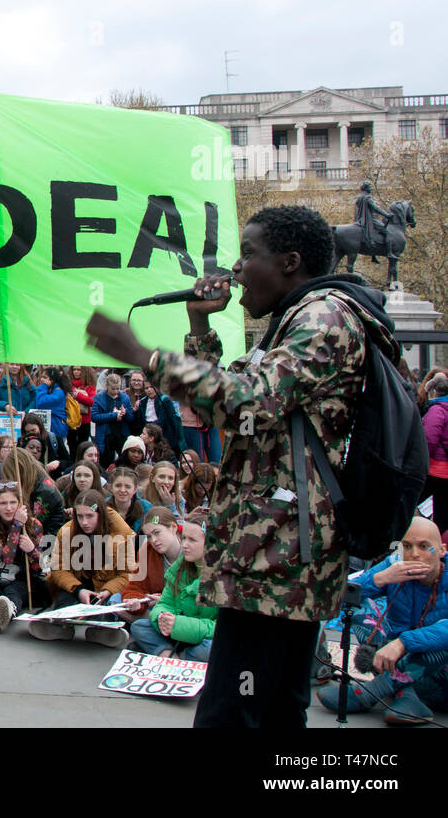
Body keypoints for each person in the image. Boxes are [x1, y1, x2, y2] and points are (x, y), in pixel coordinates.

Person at [86, 204, 394, 727]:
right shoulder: (297, 319)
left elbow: (249, 400)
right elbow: (221, 405)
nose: (234, 268)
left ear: (290, 262)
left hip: (277, 559)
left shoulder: (324, 316)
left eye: (249, 255)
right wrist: (199, 321)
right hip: (276, 552)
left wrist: (145, 354)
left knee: (231, 712)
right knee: (272, 709)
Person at [317, 517, 448, 725]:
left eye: (424, 546)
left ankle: (369, 693)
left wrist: (403, 643)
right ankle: (407, 698)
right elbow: (336, 598)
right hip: (405, 671)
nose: (414, 553)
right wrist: (380, 579)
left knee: (439, 643)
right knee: (359, 618)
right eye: (406, 546)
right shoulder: (395, 565)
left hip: (441, 679)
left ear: (441, 550)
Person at [39, 490, 133, 647]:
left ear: (100, 515)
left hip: (106, 587)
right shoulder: (67, 531)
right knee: (64, 603)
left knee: (108, 608)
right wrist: (79, 590)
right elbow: (59, 569)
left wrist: (108, 591)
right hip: (78, 582)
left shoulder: (122, 535)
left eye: (90, 516)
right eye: (80, 516)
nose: (84, 522)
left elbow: (126, 574)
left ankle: (100, 630)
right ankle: (60, 626)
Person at [128, 510, 216, 661]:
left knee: (209, 648)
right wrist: (162, 617)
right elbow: (165, 603)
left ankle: (171, 655)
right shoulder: (179, 567)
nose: (185, 545)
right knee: (140, 627)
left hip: (198, 635)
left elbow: (222, 628)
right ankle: (171, 656)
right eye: (184, 539)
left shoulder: (223, 578)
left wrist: (179, 624)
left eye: (192, 540)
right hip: (176, 632)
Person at [0, 480, 50, 633]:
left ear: (21, 504)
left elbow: (42, 566)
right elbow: (7, 557)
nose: (9, 507)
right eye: (3, 503)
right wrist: (17, 525)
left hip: (21, 579)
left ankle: (4, 615)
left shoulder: (34, 525)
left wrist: (32, 550)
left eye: (13, 502)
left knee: (14, 594)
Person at [118, 506, 181, 622]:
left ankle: (154, 622)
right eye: (149, 536)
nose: (154, 540)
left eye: (157, 533)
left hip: (182, 609)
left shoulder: (191, 550)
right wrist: (134, 601)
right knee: (116, 600)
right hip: (155, 604)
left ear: (173, 527)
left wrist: (167, 601)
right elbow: (135, 585)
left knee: (139, 627)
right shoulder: (146, 550)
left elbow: (195, 596)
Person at [90, 372, 133, 467]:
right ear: (106, 386)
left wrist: (125, 413)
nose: (115, 391)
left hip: (121, 434)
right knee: (105, 461)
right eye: (113, 389)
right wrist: (113, 415)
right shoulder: (99, 399)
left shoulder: (125, 398)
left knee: (124, 461)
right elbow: (94, 417)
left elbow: (131, 417)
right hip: (106, 435)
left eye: (118, 388)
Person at [422, 375, 448, 535]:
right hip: (445, 472)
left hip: (435, 469)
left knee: (406, 505)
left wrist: (420, 461)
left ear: (434, 391)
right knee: (443, 516)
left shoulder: (438, 408)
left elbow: (429, 439)